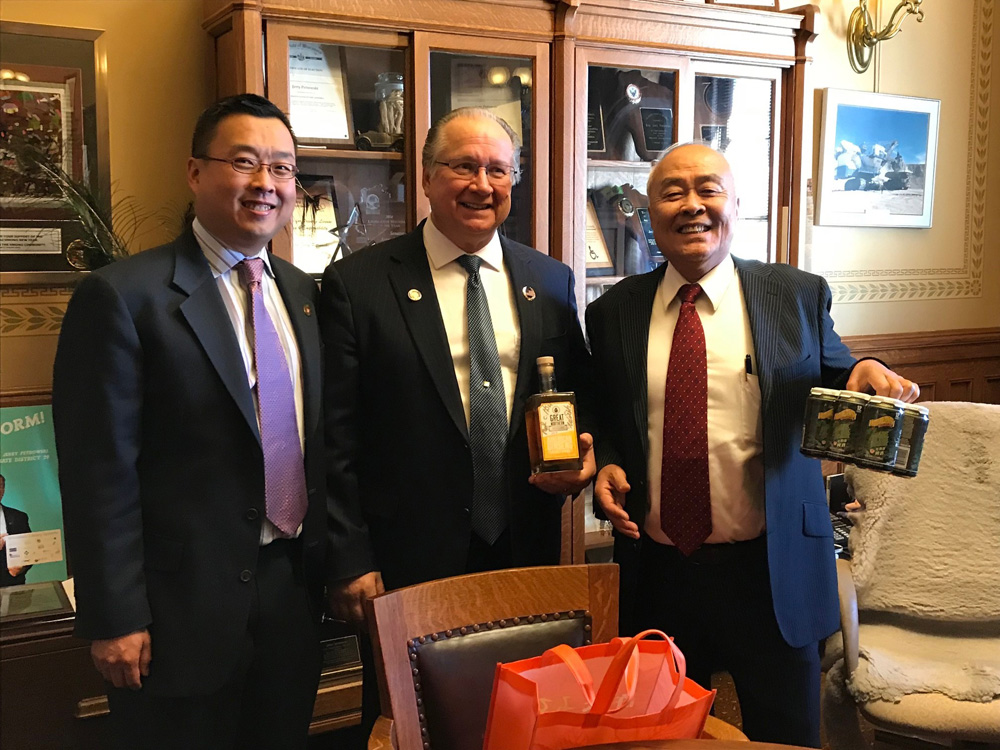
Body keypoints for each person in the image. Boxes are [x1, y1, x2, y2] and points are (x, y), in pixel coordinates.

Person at [585, 142, 920, 747]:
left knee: (786, 737)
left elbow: (839, 369)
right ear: (650, 213)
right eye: (673, 192)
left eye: (709, 189)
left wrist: (865, 368)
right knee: (661, 738)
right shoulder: (613, 312)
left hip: (772, 570)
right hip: (659, 574)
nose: (693, 205)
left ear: (736, 204)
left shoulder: (794, 294)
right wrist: (607, 461)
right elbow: (609, 416)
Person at [52, 94, 327, 749]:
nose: (266, 183)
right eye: (244, 162)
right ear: (195, 172)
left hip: (290, 598)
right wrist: (114, 616)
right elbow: (98, 472)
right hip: (175, 614)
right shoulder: (123, 297)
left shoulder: (304, 293)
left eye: (283, 168)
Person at [321, 107, 594, 737]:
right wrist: (350, 556)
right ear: (425, 177)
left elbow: (581, 398)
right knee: (410, 723)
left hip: (525, 543)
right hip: (407, 555)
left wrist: (585, 457)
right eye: (463, 166)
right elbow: (335, 437)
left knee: (528, 716)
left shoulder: (549, 280)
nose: (482, 184)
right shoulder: (358, 284)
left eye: (498, 170)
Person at [0, 473, 32, 586]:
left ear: (3, 490)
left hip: (14, 585)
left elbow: (30, 550)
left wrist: (22, 567)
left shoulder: (19, 517)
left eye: (0, 486)